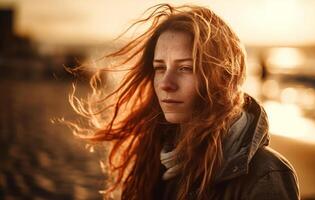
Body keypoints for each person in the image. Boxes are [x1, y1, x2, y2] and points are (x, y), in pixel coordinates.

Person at [69, 4, 300, 200]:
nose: (166, 83)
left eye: (185, 68)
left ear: (224, 77)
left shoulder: (266, 174)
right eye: (160, 68)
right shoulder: (154, 159)